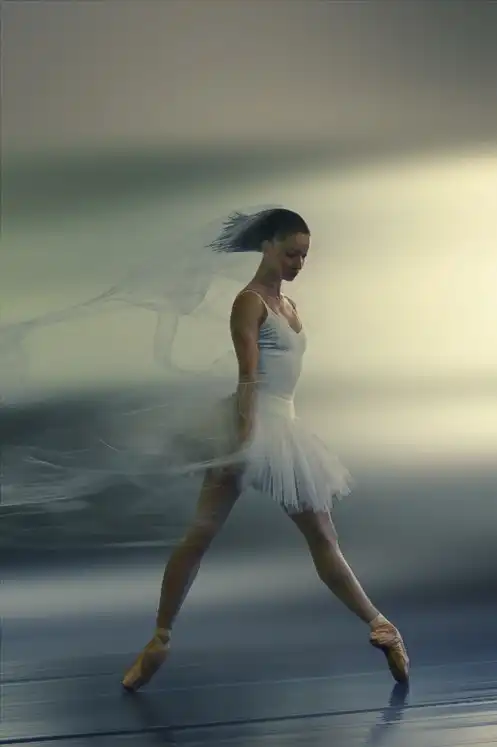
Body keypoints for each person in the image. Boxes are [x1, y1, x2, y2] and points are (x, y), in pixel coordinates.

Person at [121, 207, 409, 691]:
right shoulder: (249, 302)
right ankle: (160, 639)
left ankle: (383, 627)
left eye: (305, 256)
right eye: (292, 253)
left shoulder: (289, 305)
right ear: (268, 246)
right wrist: (243, 438)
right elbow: (249, 377)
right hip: (250, 425)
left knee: (322, 537)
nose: (299, 263)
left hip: (284, 430)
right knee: (201, 533)